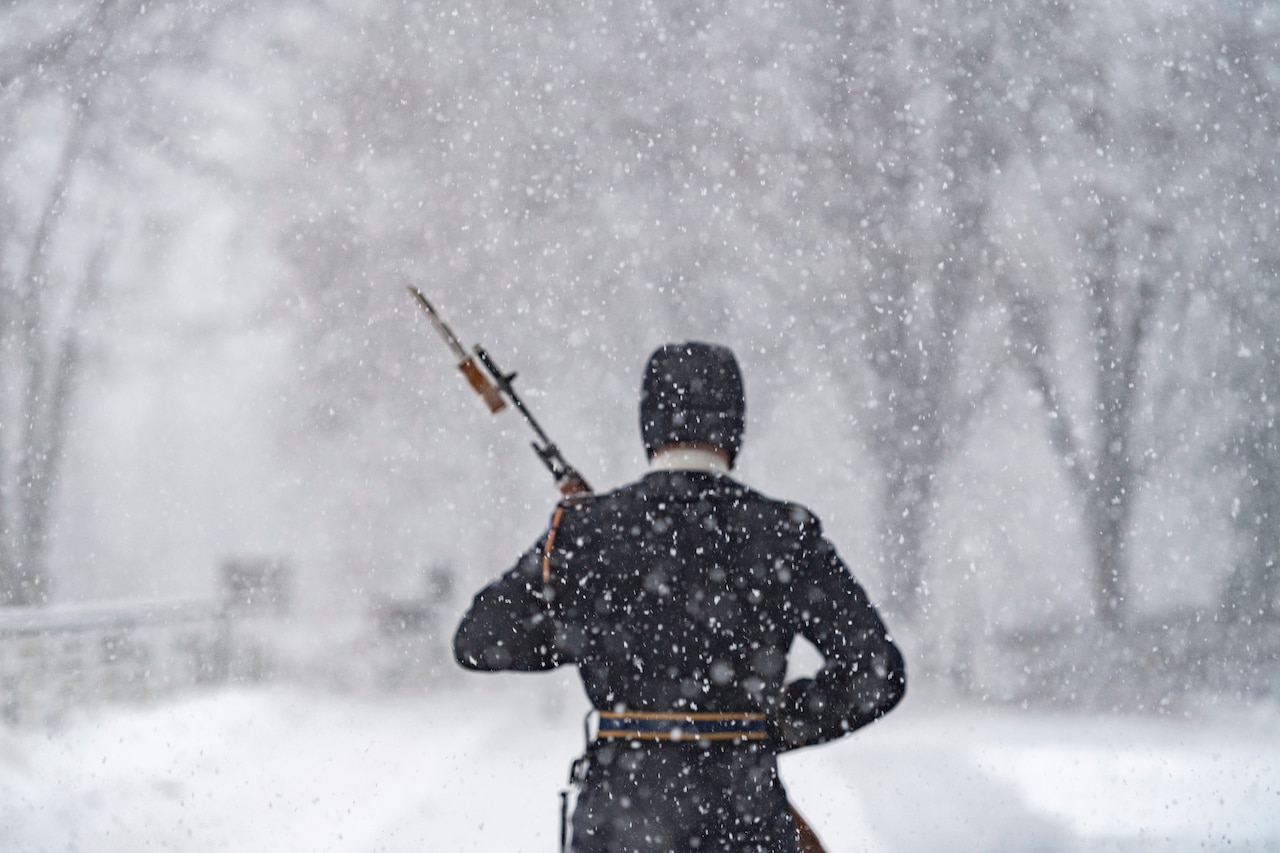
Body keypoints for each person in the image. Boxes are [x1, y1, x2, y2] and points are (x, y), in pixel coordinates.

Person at [454, 341, 906, 853]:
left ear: (649, 422)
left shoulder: (584, 529)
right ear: (733, 425)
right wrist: (764, 727)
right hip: (744, 822)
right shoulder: (784, 533)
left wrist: (588, 619)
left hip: (620, 823)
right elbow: (876, 671)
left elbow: (479, 640)